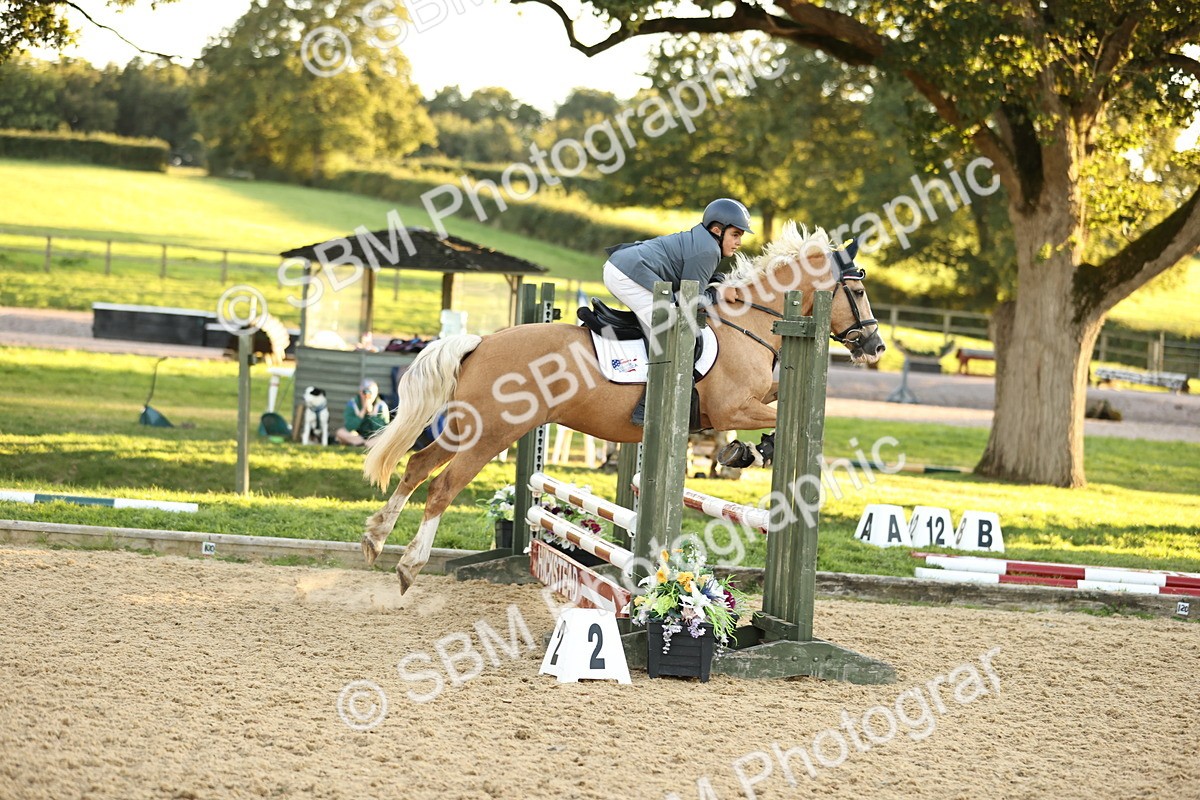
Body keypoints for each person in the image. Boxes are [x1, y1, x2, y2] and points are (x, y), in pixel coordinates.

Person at [601, 197, 754, 425]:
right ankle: (648, 407)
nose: (739, 242)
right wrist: (720, 294)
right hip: (626, 276)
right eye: (735, 234)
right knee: (673, 331)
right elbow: (689, 302)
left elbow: (694, 284)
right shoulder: (708, 251)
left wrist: (719, 283)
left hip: (624, 268)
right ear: (717, 230)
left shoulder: (705, 243)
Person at [336, 379, 391, 446]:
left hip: (374, 437)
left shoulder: (381, 406)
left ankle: (364, 444)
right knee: (340, 432)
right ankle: (363, 443)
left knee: (384, 437)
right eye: (365, 392)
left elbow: (381, 429)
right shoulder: (353, 404)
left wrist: (371, 413)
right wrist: (362, 412)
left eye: (372, 393)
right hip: (358, 436)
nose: (368, 396)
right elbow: (349, 427)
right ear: (360, 392)